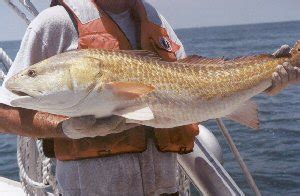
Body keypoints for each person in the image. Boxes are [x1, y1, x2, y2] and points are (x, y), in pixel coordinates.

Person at [0, 0, 299, 195]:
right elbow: (3, 112)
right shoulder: (54, 23)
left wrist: (270, 81)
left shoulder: (154, 18)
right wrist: (63, 128)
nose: (30, 80)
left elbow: (196, 79)